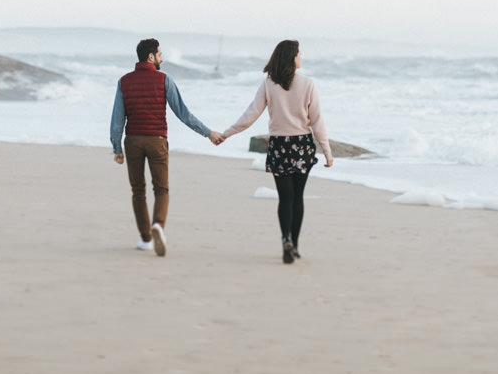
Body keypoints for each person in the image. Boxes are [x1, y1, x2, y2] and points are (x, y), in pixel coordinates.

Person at [212, 39, 332, 263]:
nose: (301, 57)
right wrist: (327, 151)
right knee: (298, 198)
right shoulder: (308, 84)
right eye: (298, 54)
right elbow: (317, 122)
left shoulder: (269, 84)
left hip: (279, 146)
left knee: (285, 198)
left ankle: (285, 238)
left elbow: (250, 115)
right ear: (291, 57)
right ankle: (294, 245)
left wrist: (226, 134)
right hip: (302, 146)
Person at [110, 38, 219, 256]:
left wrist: (116, 148)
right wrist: (208, 133)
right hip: (157, 140)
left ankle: (145, 239)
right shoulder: (164, 80)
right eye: (160, 53)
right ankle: (158, 225)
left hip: (132, 141)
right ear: (150, 57)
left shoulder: (124, 81)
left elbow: (117, 120)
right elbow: (184, 114)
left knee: (138, 191)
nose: (162, 57)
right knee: (161, 189)